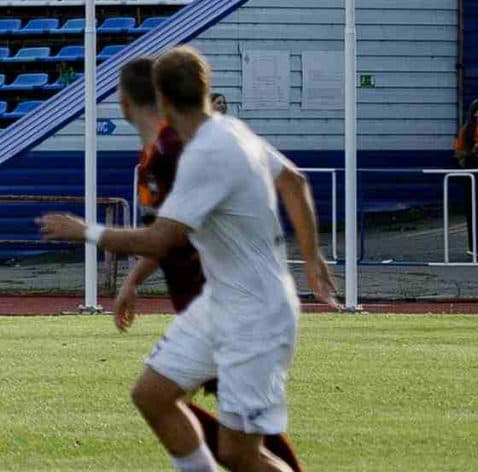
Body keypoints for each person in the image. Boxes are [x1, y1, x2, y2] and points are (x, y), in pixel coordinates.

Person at [39, 43, 335, 472]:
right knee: (152, 395)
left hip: (255, 317)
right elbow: (294, 180)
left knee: (239, 454)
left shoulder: (203, 155)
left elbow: (161, 239)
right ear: (205, 87)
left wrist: (85, 231)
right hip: (221, 304)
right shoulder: (232, 131)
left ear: (160, 98)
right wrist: (311, 257)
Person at [112, 56, 309, 472]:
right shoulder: (161, 152)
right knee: (167, 399)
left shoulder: (178, 150)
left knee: (232, 432)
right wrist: (133, 281)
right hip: (204, 298)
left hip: (225, 300)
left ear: (133, 101)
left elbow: (166, 234)